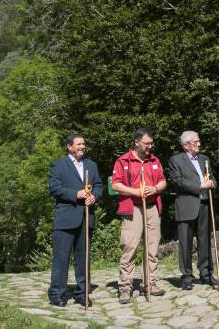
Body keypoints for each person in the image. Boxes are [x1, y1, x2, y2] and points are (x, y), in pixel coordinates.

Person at [111, 128, 167, 303]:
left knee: (152, 248)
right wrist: (135, 191)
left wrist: (156, 188)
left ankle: (149, 283)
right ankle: (125, 287)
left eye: (151, 143)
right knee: (130, 247)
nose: (151, 146)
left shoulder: (155, 160)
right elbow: (115, 185)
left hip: (152, 207)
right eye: (147, 143)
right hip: (132, 208)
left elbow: (163, 181)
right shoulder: (122, 161)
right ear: (136, 142)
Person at [48, 134, 103, 307]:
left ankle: (82, 293)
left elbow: (99, 185)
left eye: (84, 144)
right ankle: (57, 294)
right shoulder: (58, 165)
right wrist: (75, 194)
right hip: (65, 219)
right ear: (69, 147)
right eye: (78, 144)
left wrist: (94, 196)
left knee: (83, 259)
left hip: (86, 218)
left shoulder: (91, 165)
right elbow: (54, 188)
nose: (82, 146)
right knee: (61, 259)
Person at [168, 130, 217, 290]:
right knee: (185, 243)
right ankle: (186, 276)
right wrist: (200, 185)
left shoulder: (204, 159)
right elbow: (177, 182)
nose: (199, 144)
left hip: (204, 205)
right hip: (186, 206)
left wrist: (212, 183)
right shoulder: (175, 160)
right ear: (186, 145)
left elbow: (212, 178)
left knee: (205, 241)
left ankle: (206, 273)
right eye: (196, 141)